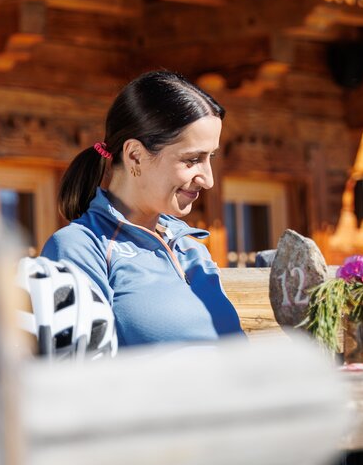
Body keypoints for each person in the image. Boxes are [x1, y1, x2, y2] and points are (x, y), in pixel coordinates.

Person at [44, 70, 244, 347]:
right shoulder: (82, 248)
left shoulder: (191, 248)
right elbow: (80, 374)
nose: (208, 180)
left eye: (210, 157)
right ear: (135, 156)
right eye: (192, 160)